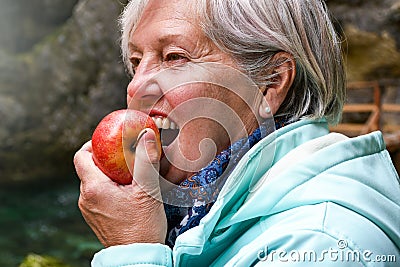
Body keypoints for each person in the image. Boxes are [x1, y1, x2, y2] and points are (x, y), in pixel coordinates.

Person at [73, 0, 400, 266]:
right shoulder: (199, 212)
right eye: (136, 61)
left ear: (270, 83)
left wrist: (134, 250)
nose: (135, 86)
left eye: (174, 57)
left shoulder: (322, 245)